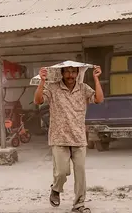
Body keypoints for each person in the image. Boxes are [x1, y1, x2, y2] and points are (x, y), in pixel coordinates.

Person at [34, 65, 104, 213]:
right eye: (67, 71)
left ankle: (79, 205)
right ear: (62, 73)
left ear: (77, 73)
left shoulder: (83, 88)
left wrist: (96, 79)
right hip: (59, 137)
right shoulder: (53, 88)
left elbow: (99, 99)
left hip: (78, 137)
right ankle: (56, 189)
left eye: (73, 72)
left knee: (80, 173)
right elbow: (38, 100)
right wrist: (42, 80)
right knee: (61, 172)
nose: (70, 75)